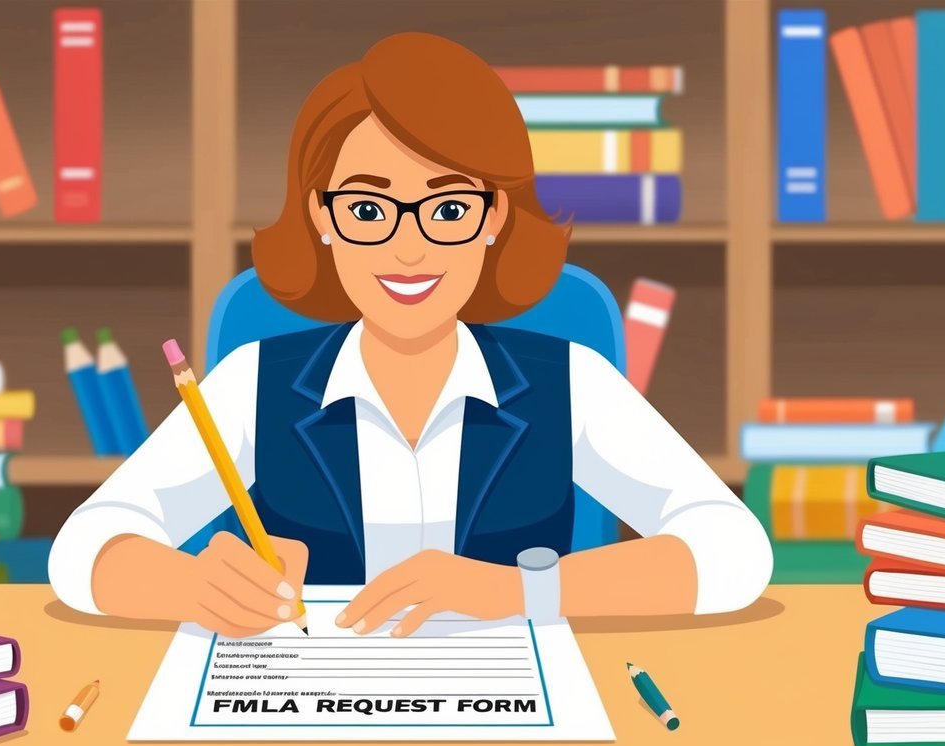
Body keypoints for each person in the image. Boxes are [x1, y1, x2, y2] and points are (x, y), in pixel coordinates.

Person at [49, 32, 771, 638]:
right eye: (368, 211)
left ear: (493, 219)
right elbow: (83, 548)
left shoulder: (569, 381)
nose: (408, 250)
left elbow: (734, 552)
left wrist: (517, 593)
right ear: (323, 219)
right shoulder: (252, 382)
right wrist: (188, 586)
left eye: (447, 209)